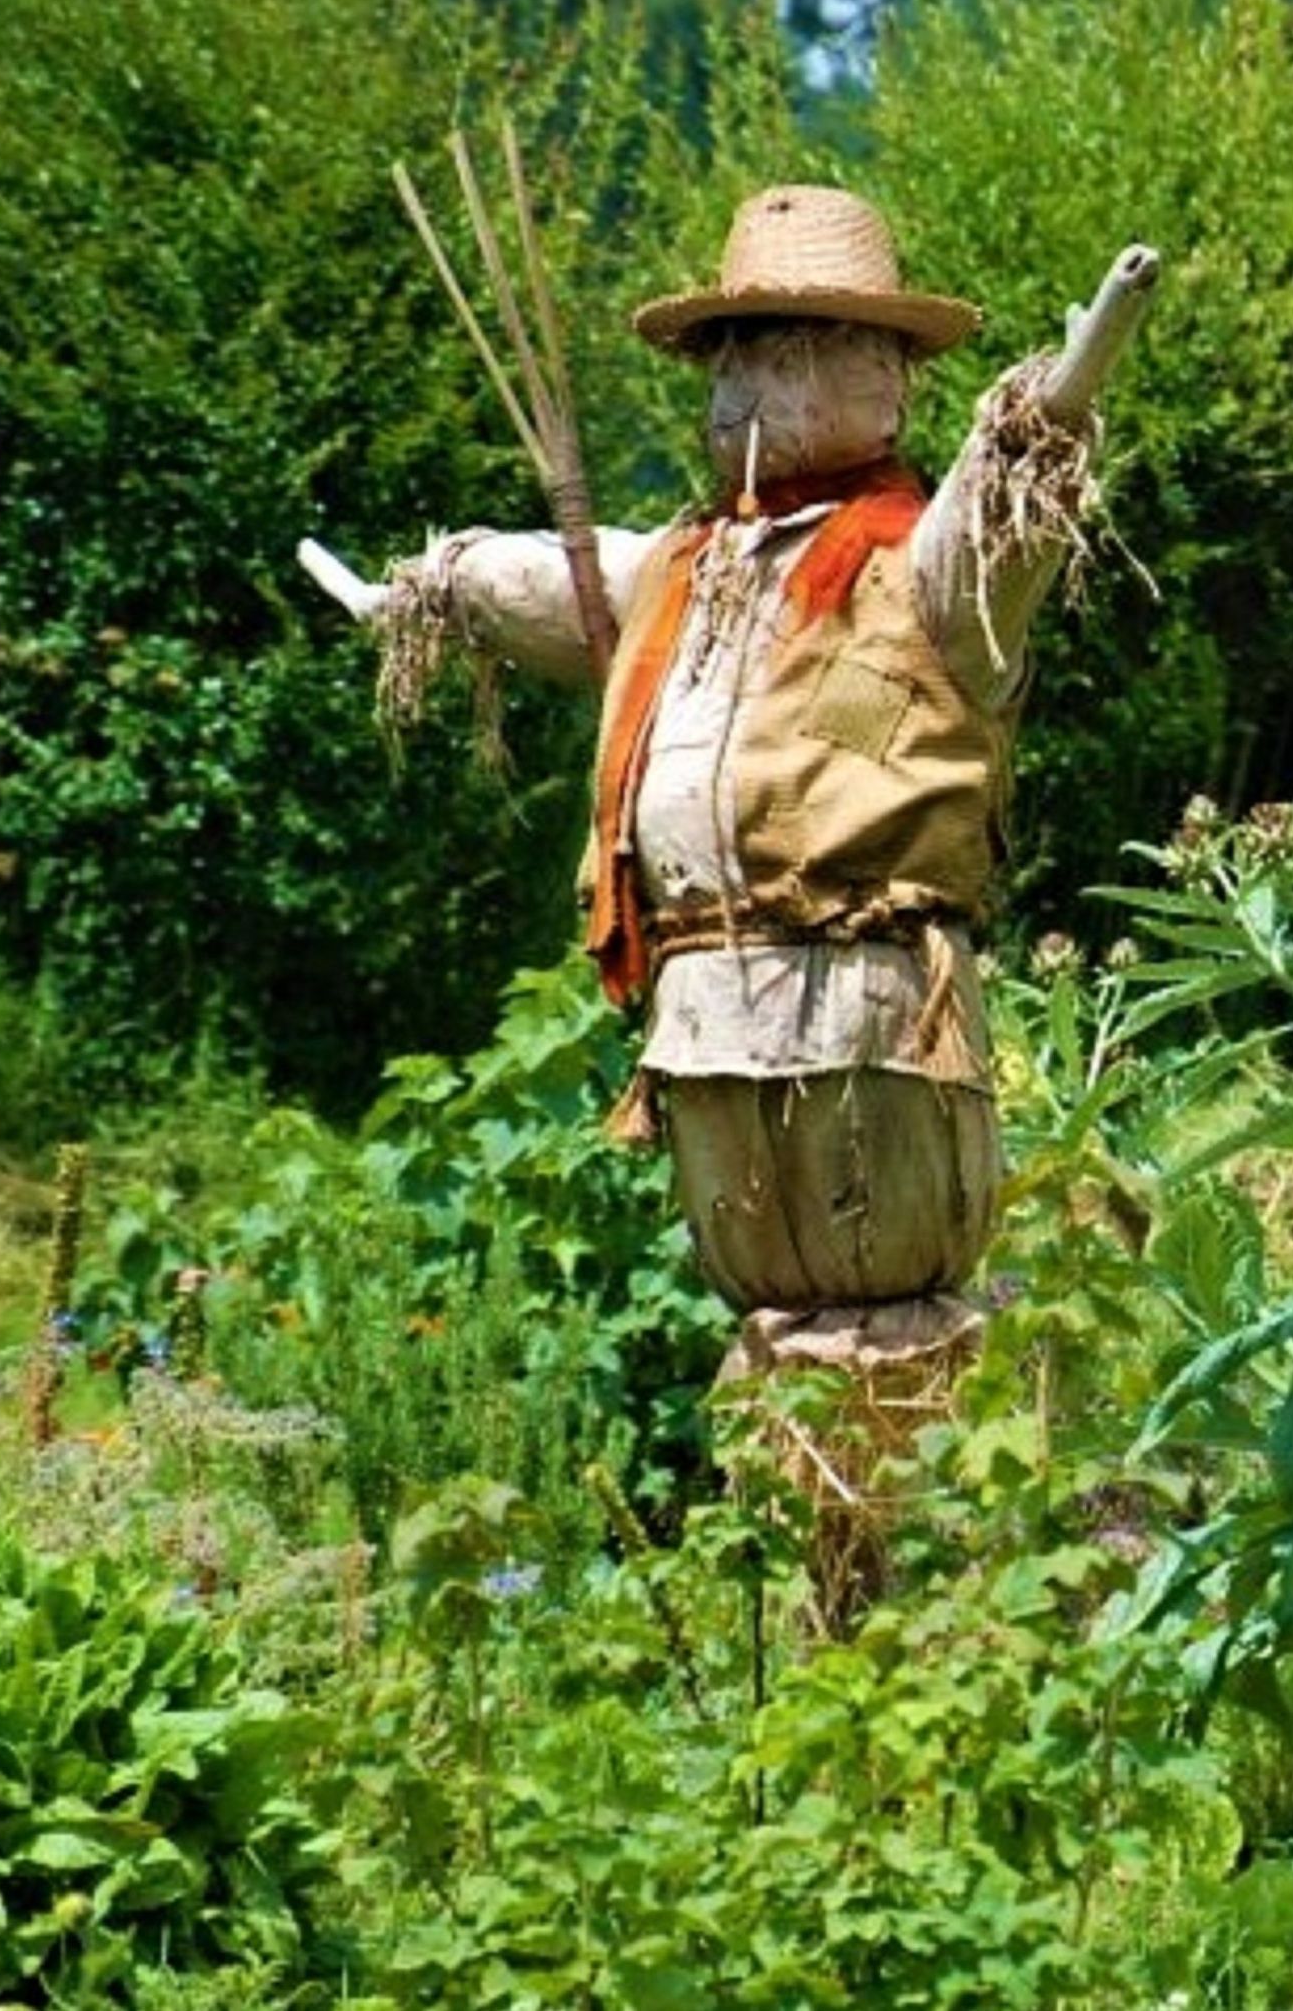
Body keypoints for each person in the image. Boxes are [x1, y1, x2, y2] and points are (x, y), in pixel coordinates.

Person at [337, 183, 1131, 1387]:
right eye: (730, 362)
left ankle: (902, 1539)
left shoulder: (919, 569)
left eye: (788, 356)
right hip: (711, 1014)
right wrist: (432, 590)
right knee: (772, 1329)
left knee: (886, 1315)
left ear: (883, 375)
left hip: (869, 1013)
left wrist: (1060, 395)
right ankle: (784, 1541)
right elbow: (560, 579)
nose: (740, 393)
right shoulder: (687, 568)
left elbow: (999, 518)